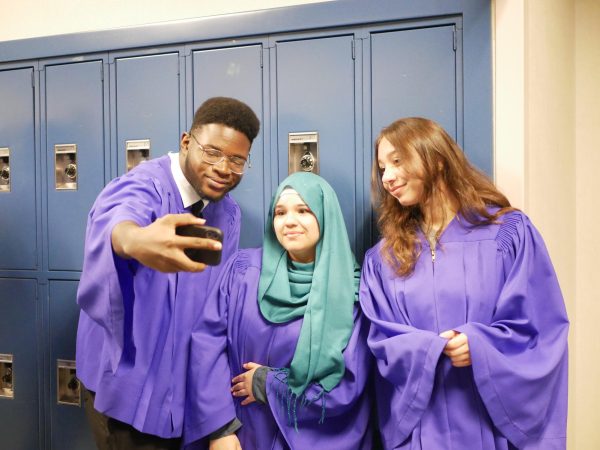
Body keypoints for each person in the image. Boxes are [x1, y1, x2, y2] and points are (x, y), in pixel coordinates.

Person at [360, 117, 569, 449]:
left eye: (397, 161)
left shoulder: (508, 234)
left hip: (489, 421)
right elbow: (382, 339)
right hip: (421, 429)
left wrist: (481, 344)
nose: (387, 177)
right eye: (382, 167)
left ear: (437, 159)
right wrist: (429, 350)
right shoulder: (383, 259)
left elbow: (540, 327)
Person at [75, 96, 260, 450]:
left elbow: (214, 317)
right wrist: (134, 240)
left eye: (237, 159)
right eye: (212, 152)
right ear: (186, 142)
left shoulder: (228, 215)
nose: (223, 167)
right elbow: (117, 220)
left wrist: (218, 419)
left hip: (182, 391)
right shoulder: (145, 185)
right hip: (126, 394)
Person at [184, 172, 373, 449]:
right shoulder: (243, 271)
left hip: (308, 437)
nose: (290, 221)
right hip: (241, 434)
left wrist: (268, 383)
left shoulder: (351, 293)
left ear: (325, 215)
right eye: (280, 212)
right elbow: (206, 345)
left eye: (303, 210)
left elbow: (348, 384)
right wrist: (220, 429)